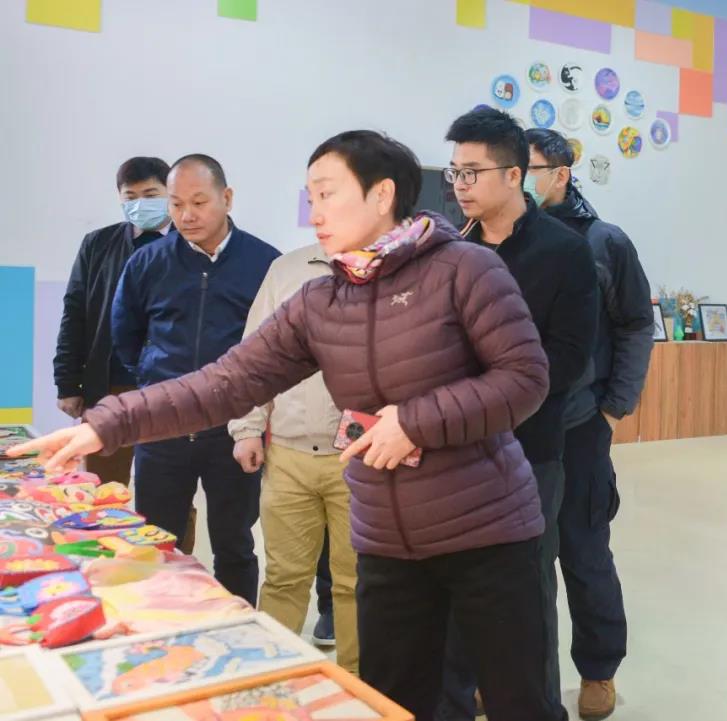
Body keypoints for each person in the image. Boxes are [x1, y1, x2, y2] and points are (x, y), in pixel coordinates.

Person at [11, 130, 564, 721]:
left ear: (381, 195)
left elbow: (525, 378)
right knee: (396, 700)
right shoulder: (320, 299)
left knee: (518, 701)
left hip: (485, 530)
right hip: (386, 538)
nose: (314, 212)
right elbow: (225, 382)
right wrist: (108, 423)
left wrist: (415, 422)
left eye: (327, 194)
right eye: (310, 196)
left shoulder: (465, 268)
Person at [438, 108, 596, 721]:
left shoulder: (565, 251)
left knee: (526, 591)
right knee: (452, 589)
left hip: (530, 448)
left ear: (514, 175)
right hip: (453, 450)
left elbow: (569, 357)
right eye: (455, 172)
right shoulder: (450, 250)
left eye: (473, 172)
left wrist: (489, 400)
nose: (461, 185)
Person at [524, 128, 654, 720]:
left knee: (583, 551)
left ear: (561, 174)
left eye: (531, 168)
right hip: (513, 429)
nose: (520, 178)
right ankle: (513, 672)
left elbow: (635, 324)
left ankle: (599, 669)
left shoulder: (604, 242)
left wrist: (612, 406)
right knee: (517, 558)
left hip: (579, 426)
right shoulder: (495, 238)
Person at [110, 154, 280, 604]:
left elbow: (277, 347)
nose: (186, 215)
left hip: (233, 430)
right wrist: (157, 385)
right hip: (161, 429)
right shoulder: (148, 262)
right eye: (176, 203)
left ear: (227, 198)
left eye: (199, 202)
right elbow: (125, 335)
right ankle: (160, 627)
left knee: (234, 545)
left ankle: (238, 629)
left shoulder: (265, 263)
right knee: (155, 543)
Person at [228, 244, 358, 671]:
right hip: (287, 455)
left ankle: (357, 685)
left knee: (355, 582)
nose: (321, 214)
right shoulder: (285, 270)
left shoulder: (392, 268)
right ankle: (273, 677)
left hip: (357, 458)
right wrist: (248, 428)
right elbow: (255, 359)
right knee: (284, 578)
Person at [54, 157, 172, 485]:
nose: (140, 204)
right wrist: (67, 384)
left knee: (168, 490)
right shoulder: (98, 245)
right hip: (109, 386)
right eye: (130, 197)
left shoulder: (189, 245)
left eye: (150, 195)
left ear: (170, 193)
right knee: (102, 485)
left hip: (170, 388)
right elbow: (74, 314)